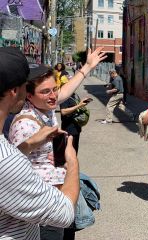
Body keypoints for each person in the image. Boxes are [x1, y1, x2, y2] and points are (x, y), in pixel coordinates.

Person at [8, 48, 106, 239]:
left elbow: (65, 90)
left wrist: (87, 67)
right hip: (43, 209)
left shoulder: (45, 106)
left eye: (54, 89)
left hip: (58, 200)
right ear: (28, 95)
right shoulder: (25, 124)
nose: (53, 95)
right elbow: (12, 167)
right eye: (45, 91)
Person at [0, 47, 80, 239]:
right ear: (15, 91)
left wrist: (29, 145)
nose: (53, 95)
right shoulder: (6, 160)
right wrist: (72, 162)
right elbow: (64, 213)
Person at [60, 80, 92, 153]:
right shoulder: (65, 97)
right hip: (69, 128)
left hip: (76, 126)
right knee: (70, 150)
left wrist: (82, 102)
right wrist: (79, 105)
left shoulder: (74, 94)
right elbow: (63, 111)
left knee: (75, 148)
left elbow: (77, 105)